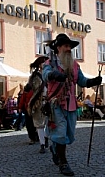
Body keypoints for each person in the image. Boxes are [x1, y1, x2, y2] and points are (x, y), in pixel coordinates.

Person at [42, 33, 102, 176]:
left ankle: (55, 148)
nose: (69, 49)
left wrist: (93, 81)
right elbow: (46, 74)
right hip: (56, 104)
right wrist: (54, 75)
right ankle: (63, 163)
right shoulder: (50, 63)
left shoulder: (75, 65)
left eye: (70, 46)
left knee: (69, 134)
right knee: (61, 133)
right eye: (66, 46)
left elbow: (81, 81)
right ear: (58, 48)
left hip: (71, 105)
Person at [28, 56, 49, 153]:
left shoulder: (50, 73)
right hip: (38, 102)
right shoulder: (35, 76)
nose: (45, 64)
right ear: (39, 64)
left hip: (50, 101)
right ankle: (42, 144)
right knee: (39, 124)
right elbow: (33, 88)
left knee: (50, 122)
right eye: (44, 62)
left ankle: (46, 137)